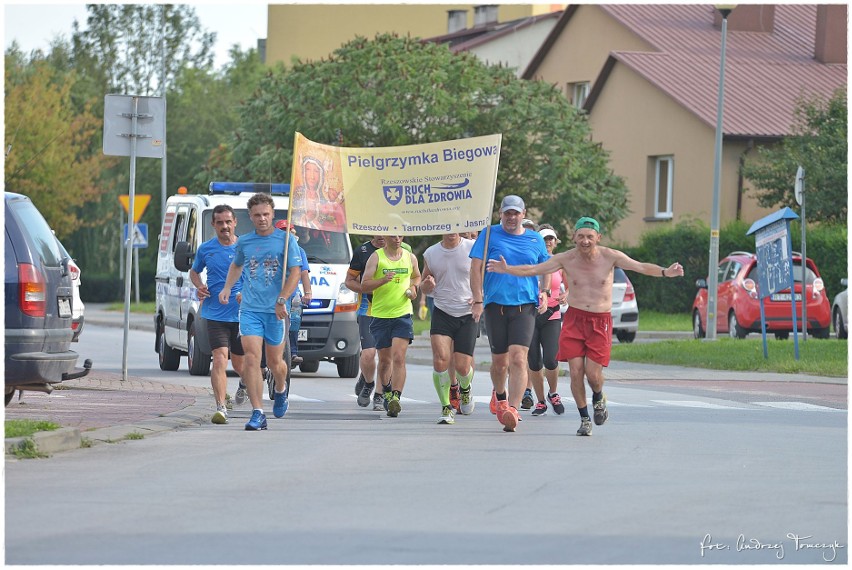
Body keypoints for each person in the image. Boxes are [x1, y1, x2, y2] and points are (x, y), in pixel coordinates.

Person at [487, 216, 684, 436]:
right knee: (575, 372)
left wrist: (667, 271)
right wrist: (507, 269)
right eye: (580, 236)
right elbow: (534, 269)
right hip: (574, 319)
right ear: (573, 238)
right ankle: (584, 418)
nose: (585, 241)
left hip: (600, 321)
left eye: (590, 237)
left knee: (593, 375)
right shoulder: (566, 259)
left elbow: (641, 267)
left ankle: (598, 397)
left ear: (598, 237)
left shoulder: (610, 257)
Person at [219, 193, 303, 431]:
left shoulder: (286, 241)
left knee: (277, 363)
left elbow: (295, 272)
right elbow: (237, 265)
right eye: (257, 215)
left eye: (266, 214)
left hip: (275, 310)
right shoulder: (244, 242)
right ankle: (258, 412)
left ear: (272, 214)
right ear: (250, 217)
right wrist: (227, 287)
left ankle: (280, 388)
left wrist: (282, 299)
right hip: (250, 310)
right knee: (252, 359)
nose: (262, 219)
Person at [469, 195, 550, 432]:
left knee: (518, 358)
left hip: (525, 307)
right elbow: (475, 267)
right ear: (500, 214)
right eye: (507, 213)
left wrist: (544, 292)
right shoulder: (488, 234)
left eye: (516, 213)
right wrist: (477, 299)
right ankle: (500, 394)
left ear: (523, 214)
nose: (512, 217)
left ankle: (512, 410)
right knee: (499, 363)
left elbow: (546, 266)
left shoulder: (535, 239)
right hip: (495, 306)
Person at [188, 204, 246, 425]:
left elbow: (255, 275)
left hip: (241, 315)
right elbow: (194, 271)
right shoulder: (206, 249)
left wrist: (245, 293)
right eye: (220, 222)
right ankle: (221, 407)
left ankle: (244, 384)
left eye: (228, 221)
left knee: (241, 365)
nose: (224, 226)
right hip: (215, 313)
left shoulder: (245, 247)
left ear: (235, 223)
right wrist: (199, 285)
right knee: (220, 358)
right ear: (213, 225)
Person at [360, 235, 421, 417]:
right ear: (385, 237)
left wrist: (414, 289)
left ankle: (395, 397)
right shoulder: (377, 257)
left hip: (402, 313)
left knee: (399, 357)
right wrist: (383, 280)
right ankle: (386, 390)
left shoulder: (410, 257)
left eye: (400, 236)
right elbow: (364, 284)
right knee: (385, 361)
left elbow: (416, 276)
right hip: (380, 314)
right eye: (393, 236)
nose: (397, 239)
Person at [421, 233, 478, 424]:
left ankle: (465, 389)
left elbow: (486, 275)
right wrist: (427, 285)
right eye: (448, 226)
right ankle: (446, 407)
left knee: (462, 366)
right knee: (440, 360)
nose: (452, 230)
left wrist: (480, 296)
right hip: (442, 311)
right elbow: (423, 286)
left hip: (467, 312)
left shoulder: (472, 247)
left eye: (456, 225)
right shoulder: (431, 253)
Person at [528, 224, 569, 417]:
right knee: (534, 362)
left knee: (551, 359)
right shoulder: (529, 259)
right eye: (544, 239)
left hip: (552, 313)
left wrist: (566, 295)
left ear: (556, 241)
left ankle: (553, 393)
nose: (548, 242)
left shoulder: (560, 262)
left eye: (551, 239)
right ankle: (541, 401)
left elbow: (570, 285)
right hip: (528, 314)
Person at [346, 236, 387, 411]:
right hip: (368, 310)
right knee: (369, 354)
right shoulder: (362, 251)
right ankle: (368, 382)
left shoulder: (405, 252)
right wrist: (363, 288)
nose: (381, 237)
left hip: (393, 310)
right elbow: (349, 281)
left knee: (387, 358)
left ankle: (379, 395)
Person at [275, 220, 313, 366]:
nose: (287, 234)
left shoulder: (299, 251)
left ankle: (293, 352)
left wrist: (308, 292)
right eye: (283, 230)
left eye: (290, 231)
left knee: (294, 321)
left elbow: (303, 273)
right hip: (272, 293)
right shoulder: (271, 250)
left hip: (292, 294)